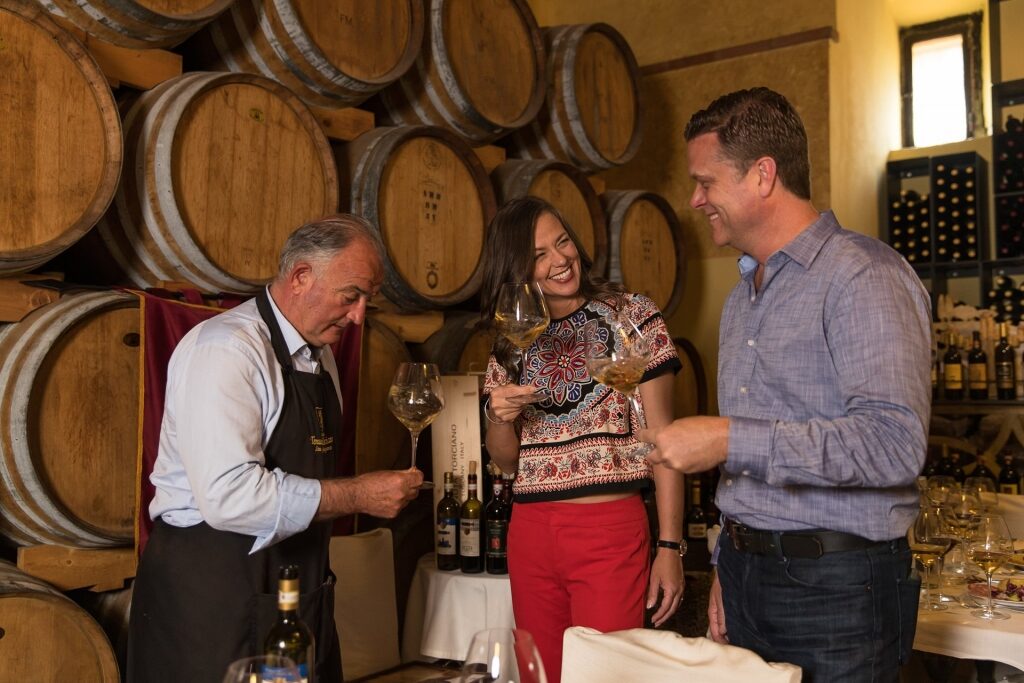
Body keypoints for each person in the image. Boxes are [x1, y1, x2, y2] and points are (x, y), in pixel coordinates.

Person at [640, 87, 931, 682]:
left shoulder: (863, 277)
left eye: (706, 182)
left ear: (763, 176)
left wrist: (728, 439)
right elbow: (752, 473)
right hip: (749, 577)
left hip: (838, 590)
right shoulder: (743, 297)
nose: (695, 200)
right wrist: (727, 559)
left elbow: (893, 445)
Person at [127, 214, 423, 683]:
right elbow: (229, 496)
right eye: (351, 297)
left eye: (367, 299)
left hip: (294, 592)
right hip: (214, 600)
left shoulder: (319, 353)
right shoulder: (227, 351)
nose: (359, 315)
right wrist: (359, 496)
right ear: (301, 277)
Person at [481, 196, 685, 682]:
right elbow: (506, 462)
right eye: (538, 255)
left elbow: (665, 443)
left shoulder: (631, 315)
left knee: (606, 675)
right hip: (530, 532)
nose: (559, 260)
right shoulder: (512, 338)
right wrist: (498, 415)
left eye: (563, 242)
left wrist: (671, 547)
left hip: (609, 531)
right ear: (516, 268)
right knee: (541, 676)